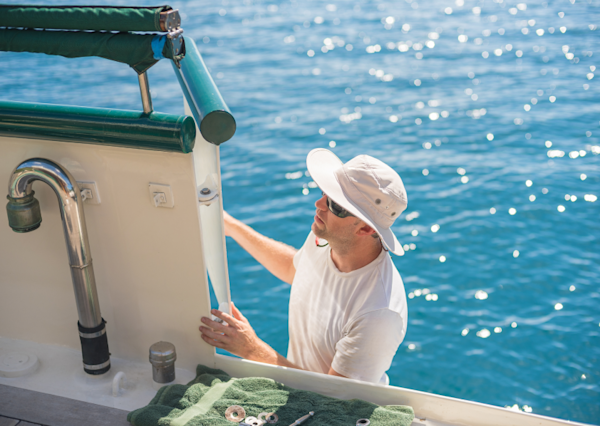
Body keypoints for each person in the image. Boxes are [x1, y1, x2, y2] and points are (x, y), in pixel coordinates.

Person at [199, 148, 408, 384]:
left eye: (335, 205)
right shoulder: (327, 236)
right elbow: (296, 270)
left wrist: (251, 349)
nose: (319, 204)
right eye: (324, 193)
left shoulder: (377, 314)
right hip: (298, 391)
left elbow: (337, 397)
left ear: (367, 229)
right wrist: (231, 226)